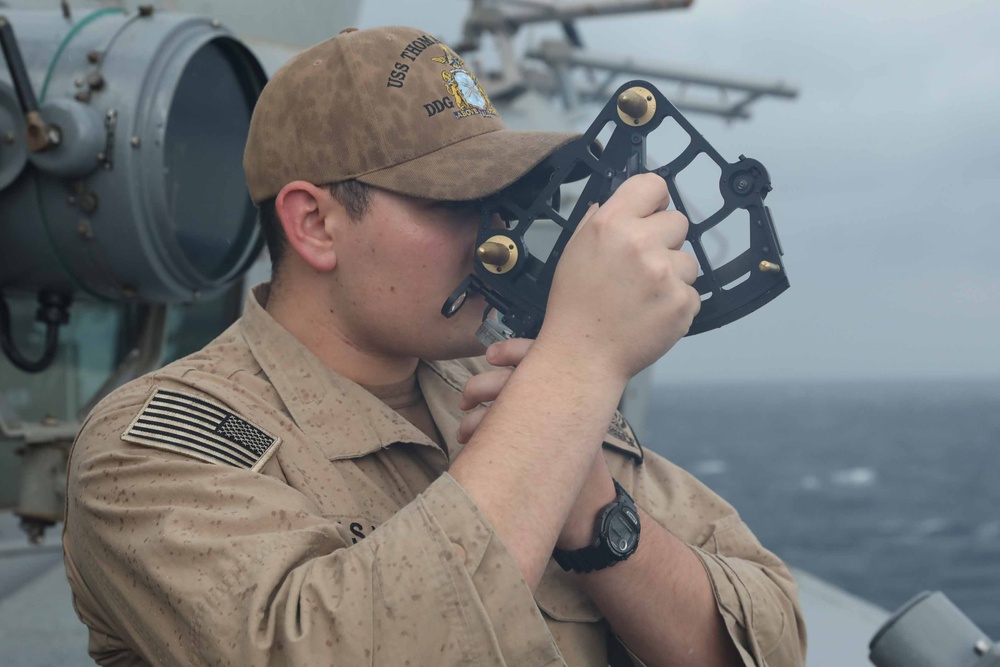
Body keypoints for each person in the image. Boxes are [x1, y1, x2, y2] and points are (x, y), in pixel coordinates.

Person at [63, 25, 806, 667]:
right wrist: (577, 364)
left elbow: (772, 632)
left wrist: (598, 524)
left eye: (502, 198)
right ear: (315, 224)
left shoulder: (515, 386)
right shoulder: (149, 453)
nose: (495, 232)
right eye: (455, 202)